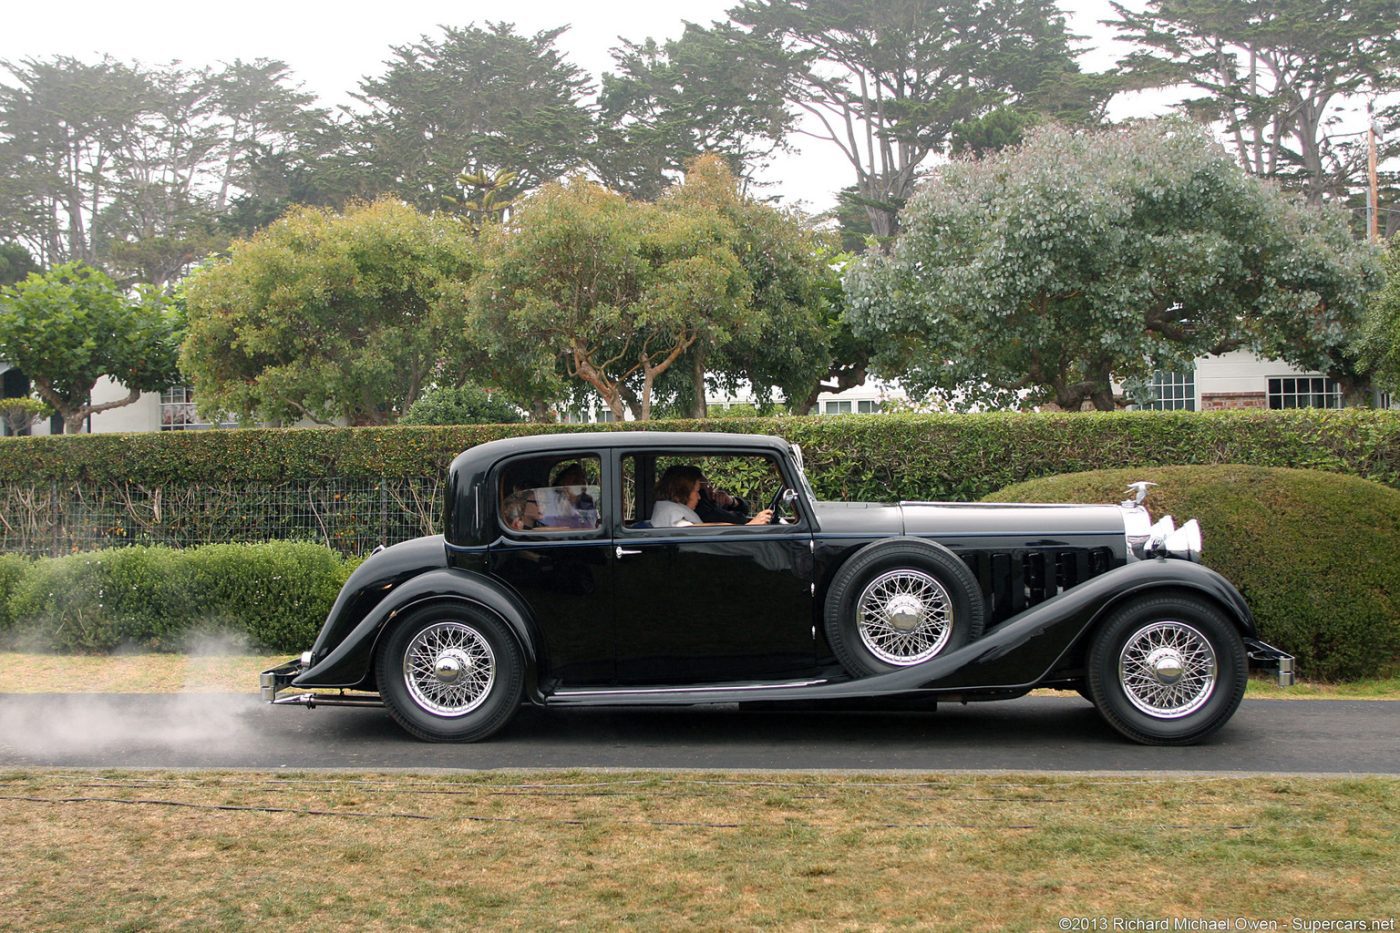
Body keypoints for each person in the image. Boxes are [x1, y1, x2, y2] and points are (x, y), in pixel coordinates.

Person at [651, 465, 772, 527]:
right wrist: (749, 527)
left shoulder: (666, 508)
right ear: (682, 492)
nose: (699, 497)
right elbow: (697, 531)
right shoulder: (674, 516)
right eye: (697, 491)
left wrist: (731, 502)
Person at [539, 462, 599, 528]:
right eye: (575, 482)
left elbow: (592, 526)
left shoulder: (587, 502)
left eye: (583, 478)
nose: (581, 483)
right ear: (563, 483)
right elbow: (547, 524)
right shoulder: (551, 499)